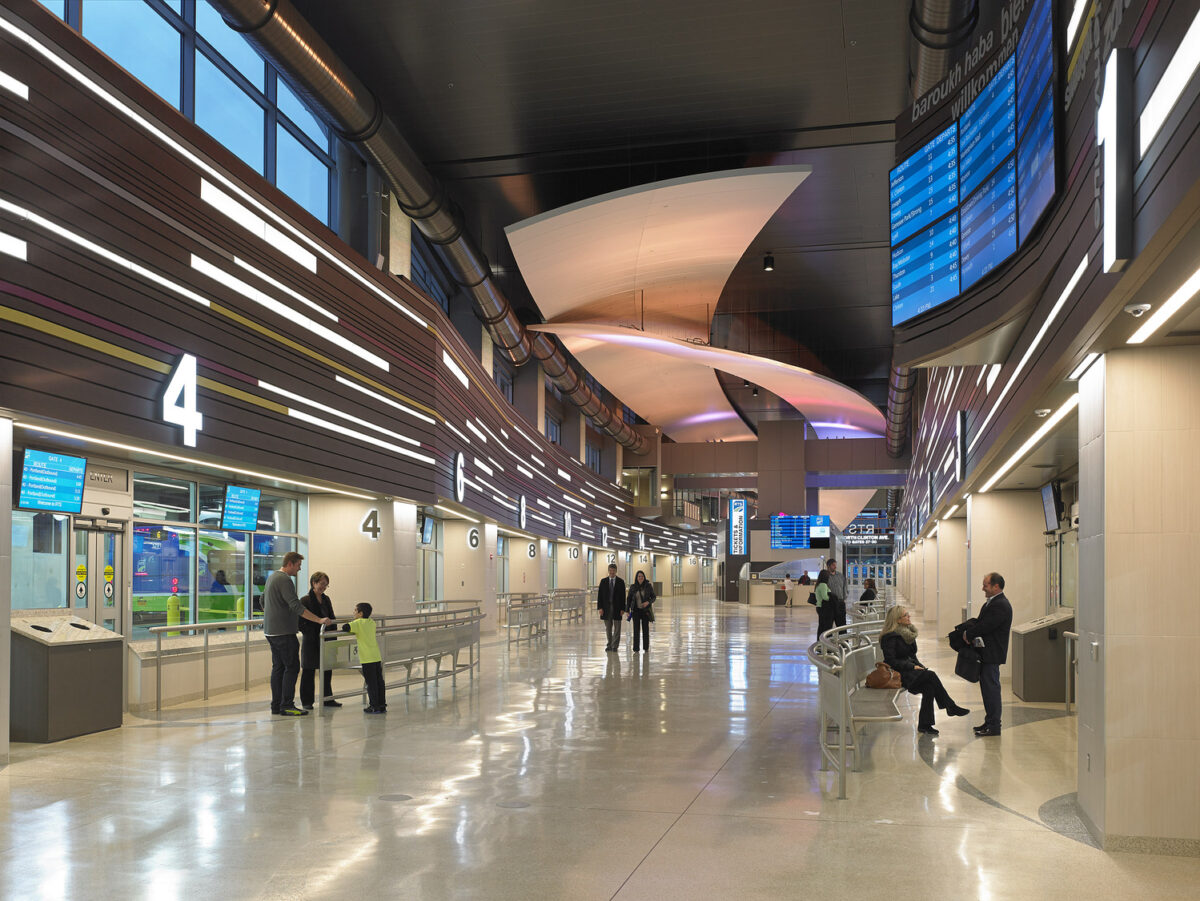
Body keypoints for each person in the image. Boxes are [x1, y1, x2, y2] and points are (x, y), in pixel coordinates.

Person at [880, 605, 970, 735]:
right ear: (897, 619)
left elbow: (912, 656)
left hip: (909, 671)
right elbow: (890, 661)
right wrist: (912, 666)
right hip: (899, 674)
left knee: (929, 687)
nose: (909, 616)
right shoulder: (890, 637)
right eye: (906, 615)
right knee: (931, 675)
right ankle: (950, 706)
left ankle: (925, 725)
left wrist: (919, 666)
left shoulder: (907, 633)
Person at [263, 552, 331, 716]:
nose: (299, 569)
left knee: (278, 667)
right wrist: (318, 620)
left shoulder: (272, 577)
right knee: (292, 667)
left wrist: (273, 615)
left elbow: (262, 600)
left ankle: (277, 705)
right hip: (284, 632)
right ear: (291, 564)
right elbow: (296, 606)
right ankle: (287, 704)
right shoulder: (285, 579)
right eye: (299, 565)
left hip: (271, 631)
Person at [965, 572, 1013, 737]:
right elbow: (982, 623)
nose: (982, 588)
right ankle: (990, 721)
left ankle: (994, 726)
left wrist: (968, 634)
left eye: (985, 585)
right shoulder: (992, 603)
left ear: (996, 586)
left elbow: (986, 626)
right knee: (987, 689)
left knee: (991, 689)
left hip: (992, 654)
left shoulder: (1000, 605)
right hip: (986, 653)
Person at [299, 571, 340, 710]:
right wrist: (313, 631)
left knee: (327, 669)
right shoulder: (305, 600)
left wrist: (333, 633)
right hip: (311, 641)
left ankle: (327, 698)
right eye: (322, 584)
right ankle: (307, 701)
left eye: (326, 585)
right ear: (313, 583)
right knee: (308, 671)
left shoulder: (326, 599)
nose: (323, 587)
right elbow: (300, 622)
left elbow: (331, 617)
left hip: (326, 639)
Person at [343, 602, 386, 713]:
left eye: (355, 610)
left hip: (367, 658)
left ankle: (374, 706)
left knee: (371, 683)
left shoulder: (358, 623)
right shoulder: (371, 622)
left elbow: (345, 627)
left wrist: (349, 622)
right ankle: (382, 705)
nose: (353, 612)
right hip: (376, 656)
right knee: (379, 681)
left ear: (360, 613)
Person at [597, 563, 626, 652]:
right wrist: (600, 608)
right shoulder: (603, 581)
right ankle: (609, 644)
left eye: (613, 571)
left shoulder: (621, 582)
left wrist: (623, 608)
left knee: (617, 628)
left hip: (617, 607)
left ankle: (614, 646)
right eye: (610, 570)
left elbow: (623, 596)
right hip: (606, 607)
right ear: (608, 571)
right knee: (608, 628)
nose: (612, 572)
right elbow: (600, 596)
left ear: (616, 571)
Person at [628, 570, 656, 652]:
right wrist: (627, 610)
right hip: (635, 611)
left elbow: (654, 597)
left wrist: (648, 602)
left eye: (642, 576)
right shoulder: (633, 587)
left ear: (644, 577)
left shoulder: (648, 586)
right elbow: (629, 599)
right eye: (639, 576)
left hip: (645, 611)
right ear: (636, 578)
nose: (640, 578)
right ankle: (636, 648)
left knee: (645, 629)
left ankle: (646, 647)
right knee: (636, 630)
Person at [826, 558, 847, 627]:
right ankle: (828, 637)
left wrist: (844, 598)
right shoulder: (825, 576)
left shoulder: (840, 575)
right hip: (830, 604)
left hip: (840, 602)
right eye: (833, 565)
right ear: (828, 566)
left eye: (835, 565)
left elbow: (845, 587)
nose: (835, 566)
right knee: (828, 625)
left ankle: (843, 637)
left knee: (842, 624)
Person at [814, 568, 834, 637]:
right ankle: (825, 641)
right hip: (824, 608)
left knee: (821, 626)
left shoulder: (819, 584)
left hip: (819, 607)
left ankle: (820, 642)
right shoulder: (823, 585)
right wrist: (832, 598)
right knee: (826, 626)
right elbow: (825, 597)